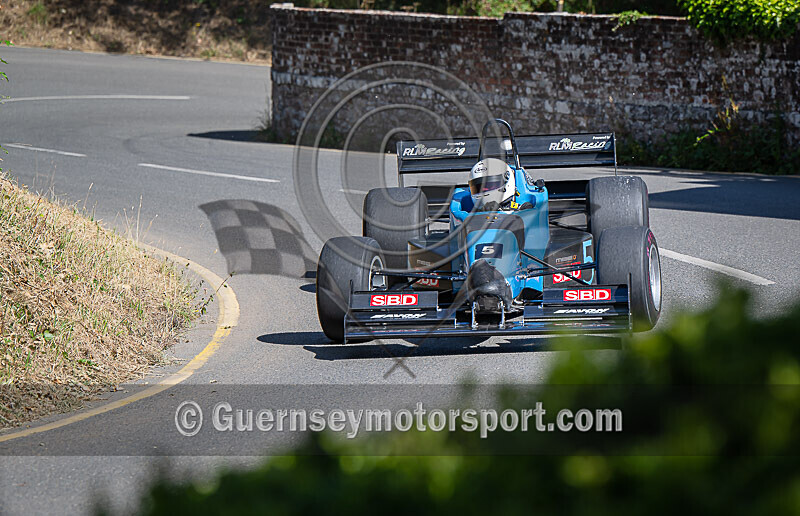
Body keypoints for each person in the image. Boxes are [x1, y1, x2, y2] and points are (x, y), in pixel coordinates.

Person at [468, 158, 534, 212]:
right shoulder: (468, 212)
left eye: (489, 186)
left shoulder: (521, 208)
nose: (484, 190)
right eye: (478, 188)